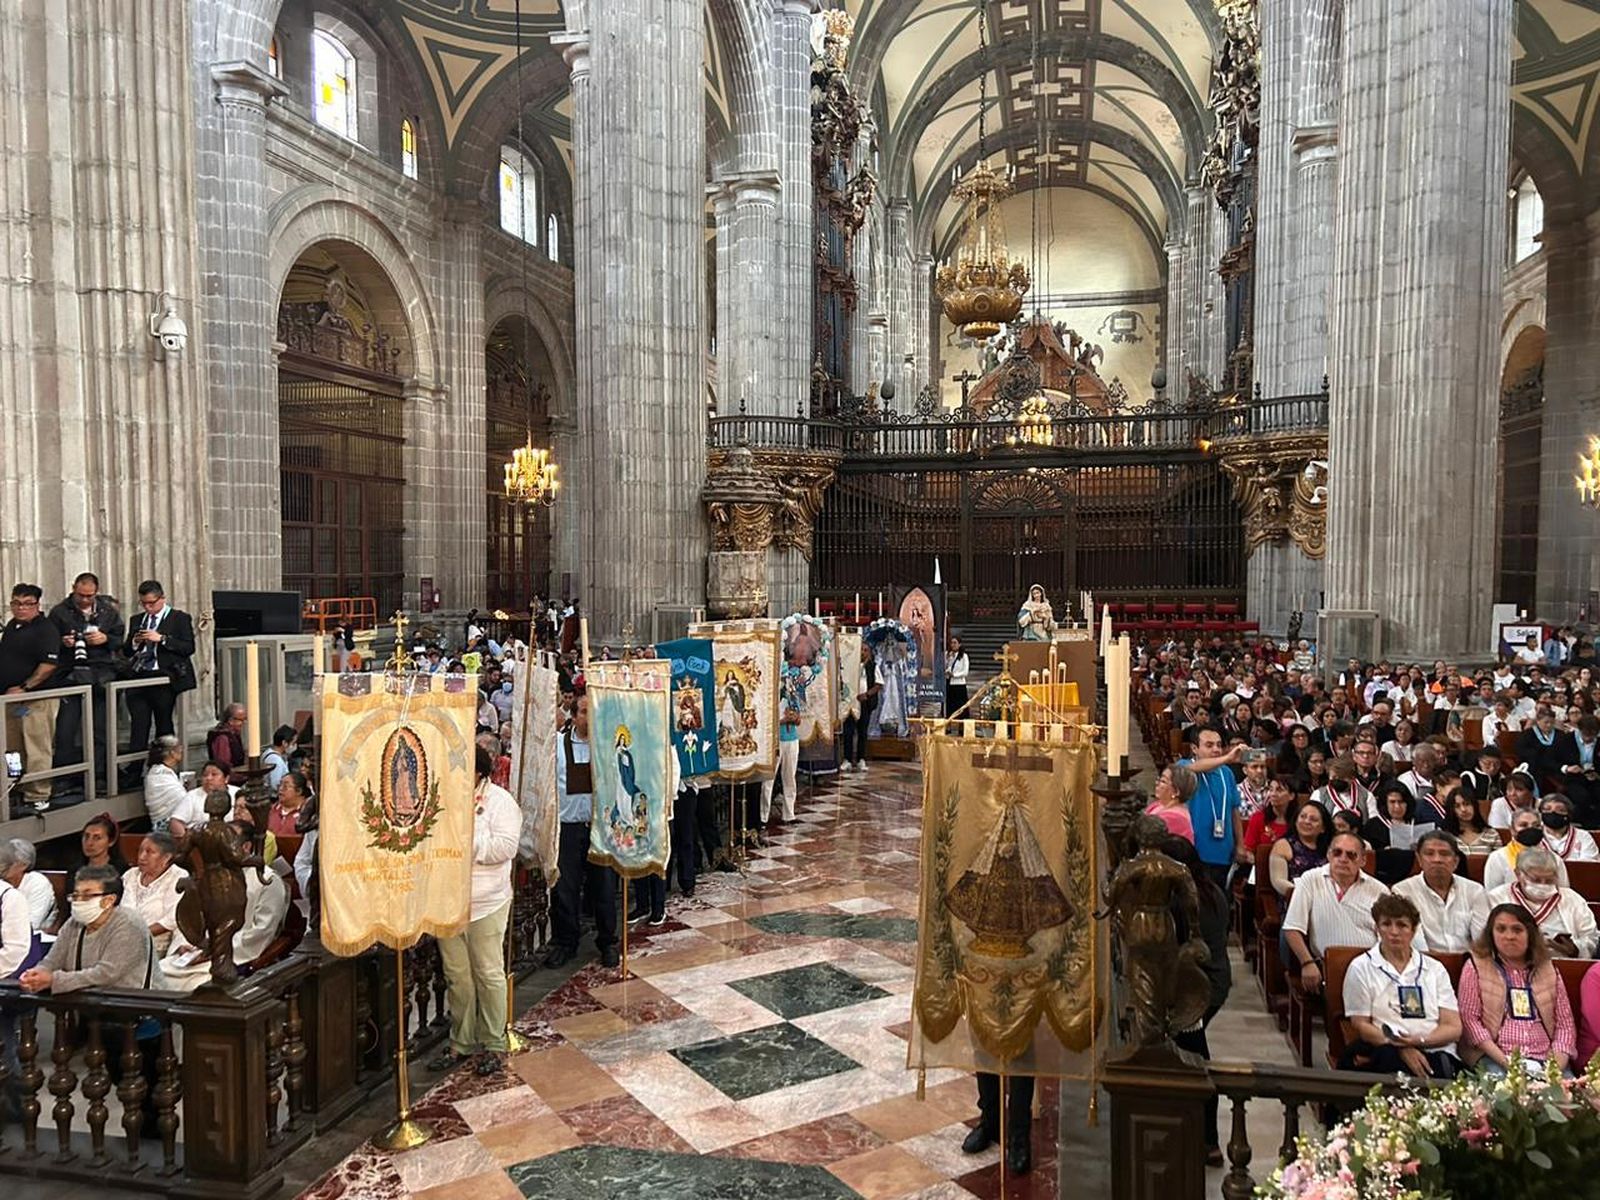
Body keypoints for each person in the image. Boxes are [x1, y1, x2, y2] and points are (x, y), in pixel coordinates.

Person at [430, 747, 520, 1076]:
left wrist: (467, 845)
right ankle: (461, 1041)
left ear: (479, 772)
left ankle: (494, 1042)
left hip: (487, 900)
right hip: (448, 901)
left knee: (488, 972)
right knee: (457, 976)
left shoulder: (499, 801)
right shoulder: (441, 800)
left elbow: (507, 846)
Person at [1338, 894, 1461, 1078]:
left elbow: (1453, 1026)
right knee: (1390, 1063)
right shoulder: (1361, 967)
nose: (1394, 932)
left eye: (1402, 925)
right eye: (1387, 924)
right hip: (1384, 1047)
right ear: (1377, 929)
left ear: (1413, 930)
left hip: (1433, 1048)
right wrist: (1401, 1047)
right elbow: (1360, 1025)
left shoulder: (1435, 969)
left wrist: (1419, 1041)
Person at [159, 820, 288, 990]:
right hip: (198, 951)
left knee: (199, 987)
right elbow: (196, 915)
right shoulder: (211, 875)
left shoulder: (268, 881)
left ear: (246, 847)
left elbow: (262, 931)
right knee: (157, 971)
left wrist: (216, 948)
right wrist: (190, 944)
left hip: (233, 955)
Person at [1166, 835, 1231, 1167]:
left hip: (1197, 989)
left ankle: (1207, 1139)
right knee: (1190, 1049)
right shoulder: (1210, 890)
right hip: (1214, 981)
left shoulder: (1185, 901)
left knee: (1193, 1055)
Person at [546, 691, 619, 970]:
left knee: (603, 886)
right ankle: (566, 942)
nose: (590, 717)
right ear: (574, 716)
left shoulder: (606, 744)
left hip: (599, 826)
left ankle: (608, 941)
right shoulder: (557, 745)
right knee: (565, 887)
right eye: (585, 712)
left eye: (593, 711)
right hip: (569, 827)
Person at [1458, 903, 1576, 1075]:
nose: (1509, 936)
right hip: (1495, 1056)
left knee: (1567, 1098)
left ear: (1530, 934)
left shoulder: (1547, 969)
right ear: (1491, 934)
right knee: (1507, 1096)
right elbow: (1470, 1022)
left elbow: (1565, 1025)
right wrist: (1508, 1064)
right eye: (1501, 929)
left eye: (1517, 930)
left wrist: (1554, 1069)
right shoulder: (1476, 966)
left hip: (1546, 1058)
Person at [20, 865, 164, 994]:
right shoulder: (74, 923)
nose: (78, 901)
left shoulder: (130, 924)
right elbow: (52, 961)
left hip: (136, 1010)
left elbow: (107, 973)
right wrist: (36, 974)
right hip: (88, 1008)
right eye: (76, 895)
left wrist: (54, 980)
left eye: (87, 895)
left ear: (109, 900)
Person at [48, 572, 124, 797]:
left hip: (101, 673)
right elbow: (49, 642)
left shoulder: (108, 612)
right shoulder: (60, 612)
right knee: (66, 730)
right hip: (71, 673)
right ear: (73, 589)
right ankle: (64, 777)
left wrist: (105, 639)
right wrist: (63, 642)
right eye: (80, 595)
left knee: (100, 729)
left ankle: (99, 775)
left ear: (96, 592)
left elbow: (121, 641)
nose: (84, 600)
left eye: (89, 596)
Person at [1282, 831, 1389, 991]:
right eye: (1337, 853)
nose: (1343, 859)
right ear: (1328, 855)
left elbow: (1387, 936)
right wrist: (1307, 963)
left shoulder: (1379, 890)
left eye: (1351, 855)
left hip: (1371, 968)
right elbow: (1292, 928)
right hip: (1327, 968)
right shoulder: (1310, 879)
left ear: (1363, 860)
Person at [120, 580, 196, 781]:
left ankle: (165, 767)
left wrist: (161, 639)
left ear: (162, 598)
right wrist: (136, 641)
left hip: (163, 677)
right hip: (139, 676)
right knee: (139, 723)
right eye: (144, 603)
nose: (148, 607)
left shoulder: (179, 618)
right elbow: (126, 651)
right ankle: (134, 769)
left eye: (152, 603)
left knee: (163, 723)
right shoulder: (137, 619)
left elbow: (188, 647)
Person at [1, 583, 62, 813]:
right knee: (12, 748)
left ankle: (38, 793)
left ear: (37, 605)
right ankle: (14, 785)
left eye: (27, 604)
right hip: (8, 700)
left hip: (36, 698)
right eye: (16, 603)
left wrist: (25, 687)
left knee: (36, 746)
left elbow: (48, 664)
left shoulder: (45, 629)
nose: (21, 608)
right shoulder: (11, 627)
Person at [1486, 846, 1598, 958]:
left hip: (1562, 962)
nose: (1543, 885)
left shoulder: (1572, 899)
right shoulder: (1496, 898)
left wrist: (1575, 949)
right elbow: (1485, 938)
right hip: (1509, 963)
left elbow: (1591, 937)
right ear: (1518, 874)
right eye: (1536, 880)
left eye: (1549, 880)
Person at [1394, 831, 1489, 953]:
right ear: (1419, 859)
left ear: (1456, 861)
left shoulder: (1475, 890)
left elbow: (1481, 940)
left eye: (1444, 854)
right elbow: (1414, 942)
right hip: (1424, 964)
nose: (1437, 859)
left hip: (1468, 963)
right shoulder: (1403, 891)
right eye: (1429, 854)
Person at [1178, 730, 1245, 889]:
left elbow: (1234, 811)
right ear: (1194, 748)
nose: (1216, 749)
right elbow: (1192, 769)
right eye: (1209, 745)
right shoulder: (1184, 766)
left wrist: (1240, 845)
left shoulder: (1227, 773)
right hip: (1193, 850)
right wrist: (1227, 758)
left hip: (1222, 850)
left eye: (1219, 745)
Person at [121, 832, 185, 955]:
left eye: (149, 852)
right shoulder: (130, 875)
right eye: (140, 851)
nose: (141, 857)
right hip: (123, 939)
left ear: (166, 857)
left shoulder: (178, 877)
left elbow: (172, 919)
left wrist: (139, 935)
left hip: (155, 944)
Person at [1363, 782, 1429, 887]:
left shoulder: (1419, 822)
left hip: (1415, 876)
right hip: (1382, 876)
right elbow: (1367, 855)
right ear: (1385, 803)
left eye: (1401, 802)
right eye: (1392, 802)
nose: (1397, 807)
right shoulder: (1373, 825)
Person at [760, 669, 802, 825]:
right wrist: (783, 720)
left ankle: (789, 814)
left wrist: (795, 718)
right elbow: (767, 719)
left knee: (790, 777)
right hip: (775, 740)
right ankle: (763, 816)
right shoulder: (771, 696)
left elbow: (799, 720)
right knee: (768, 779)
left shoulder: (792, 696)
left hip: (792, 739)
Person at [169, 759, 239, 836]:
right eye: (205, 775)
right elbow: (176, 821)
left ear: (226, 779)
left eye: (214, 774)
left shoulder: (237, 793)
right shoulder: (192, 796)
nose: (208, 778)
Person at [0, 839, 56, 934]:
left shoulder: (38, 883)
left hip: (34, 939)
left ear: (24, 865)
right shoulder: (2, 883)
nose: (1, 866)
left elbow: (32, 923)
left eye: (7, 863)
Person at [841, 641, 881, 772]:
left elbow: (878, 684)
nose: (863, 653)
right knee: (848, 731)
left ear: (869, 652)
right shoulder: (849, 666)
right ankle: (847, 759)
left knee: (863, 732)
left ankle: (861, 759)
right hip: (851, 702)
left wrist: (867, 694)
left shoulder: (873, 666)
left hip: (865, 703)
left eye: (865, 650)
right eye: (861, 650)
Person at [69, 813, 129, 895]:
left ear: (111, 841)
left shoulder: (122, 872)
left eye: (97, 838)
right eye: (86, 836)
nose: (89, 843)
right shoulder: (75, 870)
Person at [1443, 780, 1501, 856]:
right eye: (1457, 806)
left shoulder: (1492, 834)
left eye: (1467, 804)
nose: (1463, 809)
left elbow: (1500, 863)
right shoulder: (1445, 837)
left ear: (1474, 805)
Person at [142, 735, 188, 829]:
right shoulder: (159, 774)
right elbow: (182, 800)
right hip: (165, 826)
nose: (182, 749)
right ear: (172, 752)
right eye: (179, 747)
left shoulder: (164, 772)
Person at [1537, 793, 1599, 862]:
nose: (1552, 812)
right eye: (1547, 809)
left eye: (1560, 810)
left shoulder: (1583, 836)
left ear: (1569, 814)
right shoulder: (1534, 834)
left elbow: (1590, 864)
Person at [1145, 764, 1197, 841]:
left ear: (1176, 791)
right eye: (1159, 779)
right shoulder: (1159, 804)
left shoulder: (1175, 817)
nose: (1157, 783)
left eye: (1163, 781)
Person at [1244, 776, 1293, 855]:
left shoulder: (1298, 820)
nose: (1273, 794)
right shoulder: (1258, 818)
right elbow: (1248, 849)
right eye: (1270, 790)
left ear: (1291, 796)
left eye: (1279, 790)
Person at [207, 703, 247, 780]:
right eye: (241, 720)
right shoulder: (222, 737)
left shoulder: (233, 734)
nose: (243, 724)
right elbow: (223, 765)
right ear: (231, 720)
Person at [268, 771, 312, 838]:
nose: (280, 789)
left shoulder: (308, 813)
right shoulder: (270, 811)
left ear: (299, 791)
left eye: (285, 786)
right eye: (280, 785)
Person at [261, 725, 296, 792]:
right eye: (293, 743)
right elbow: (276, 784)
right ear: (284, 743)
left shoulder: (268, 752)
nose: (294, 746)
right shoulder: (276, 760)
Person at [945, 635, 969, 715]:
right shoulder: (948, 655)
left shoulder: (964, 656)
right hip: (949, 683)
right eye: (952, 643)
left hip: (959, 684)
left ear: (959, 644)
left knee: (960, 706)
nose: (953, 645)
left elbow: (965, 672)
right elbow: (945, 666)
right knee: (950, 706)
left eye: (955, 643)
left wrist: (954, 675)